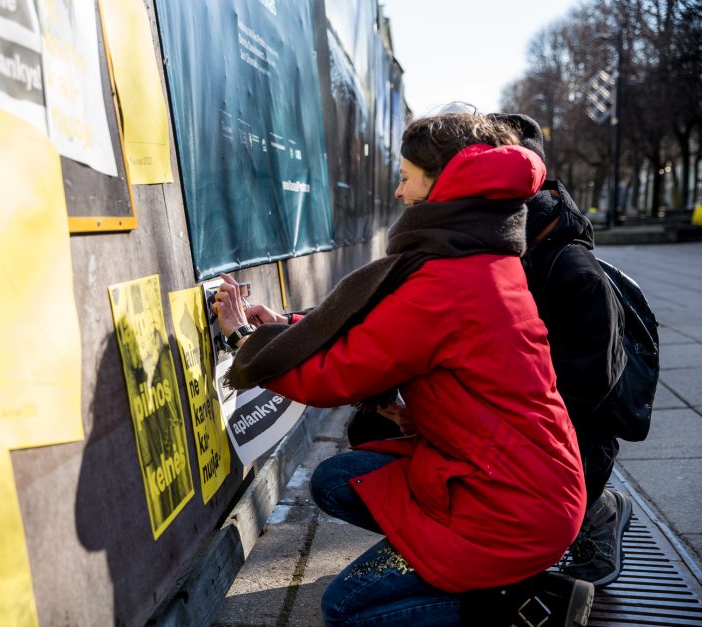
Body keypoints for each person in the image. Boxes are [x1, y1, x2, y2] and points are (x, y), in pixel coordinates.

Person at [212, 112, 593, 626]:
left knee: (345, 608)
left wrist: (246, 343)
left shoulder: (449, 278)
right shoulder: (479, 252)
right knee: (336, 480)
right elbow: (385, 330)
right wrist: (289, 327)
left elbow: (333, 376)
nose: (398, 191)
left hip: (510, 510)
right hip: (514, 480)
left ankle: (517, 605)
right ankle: (455, 566)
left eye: (407, 175)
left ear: (443, 184)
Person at [493, 113, 632, 588]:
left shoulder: (573, 270)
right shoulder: (511, 249)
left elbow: (594, 384)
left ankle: (598, 515)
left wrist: (526, 433)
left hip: (573, 431)